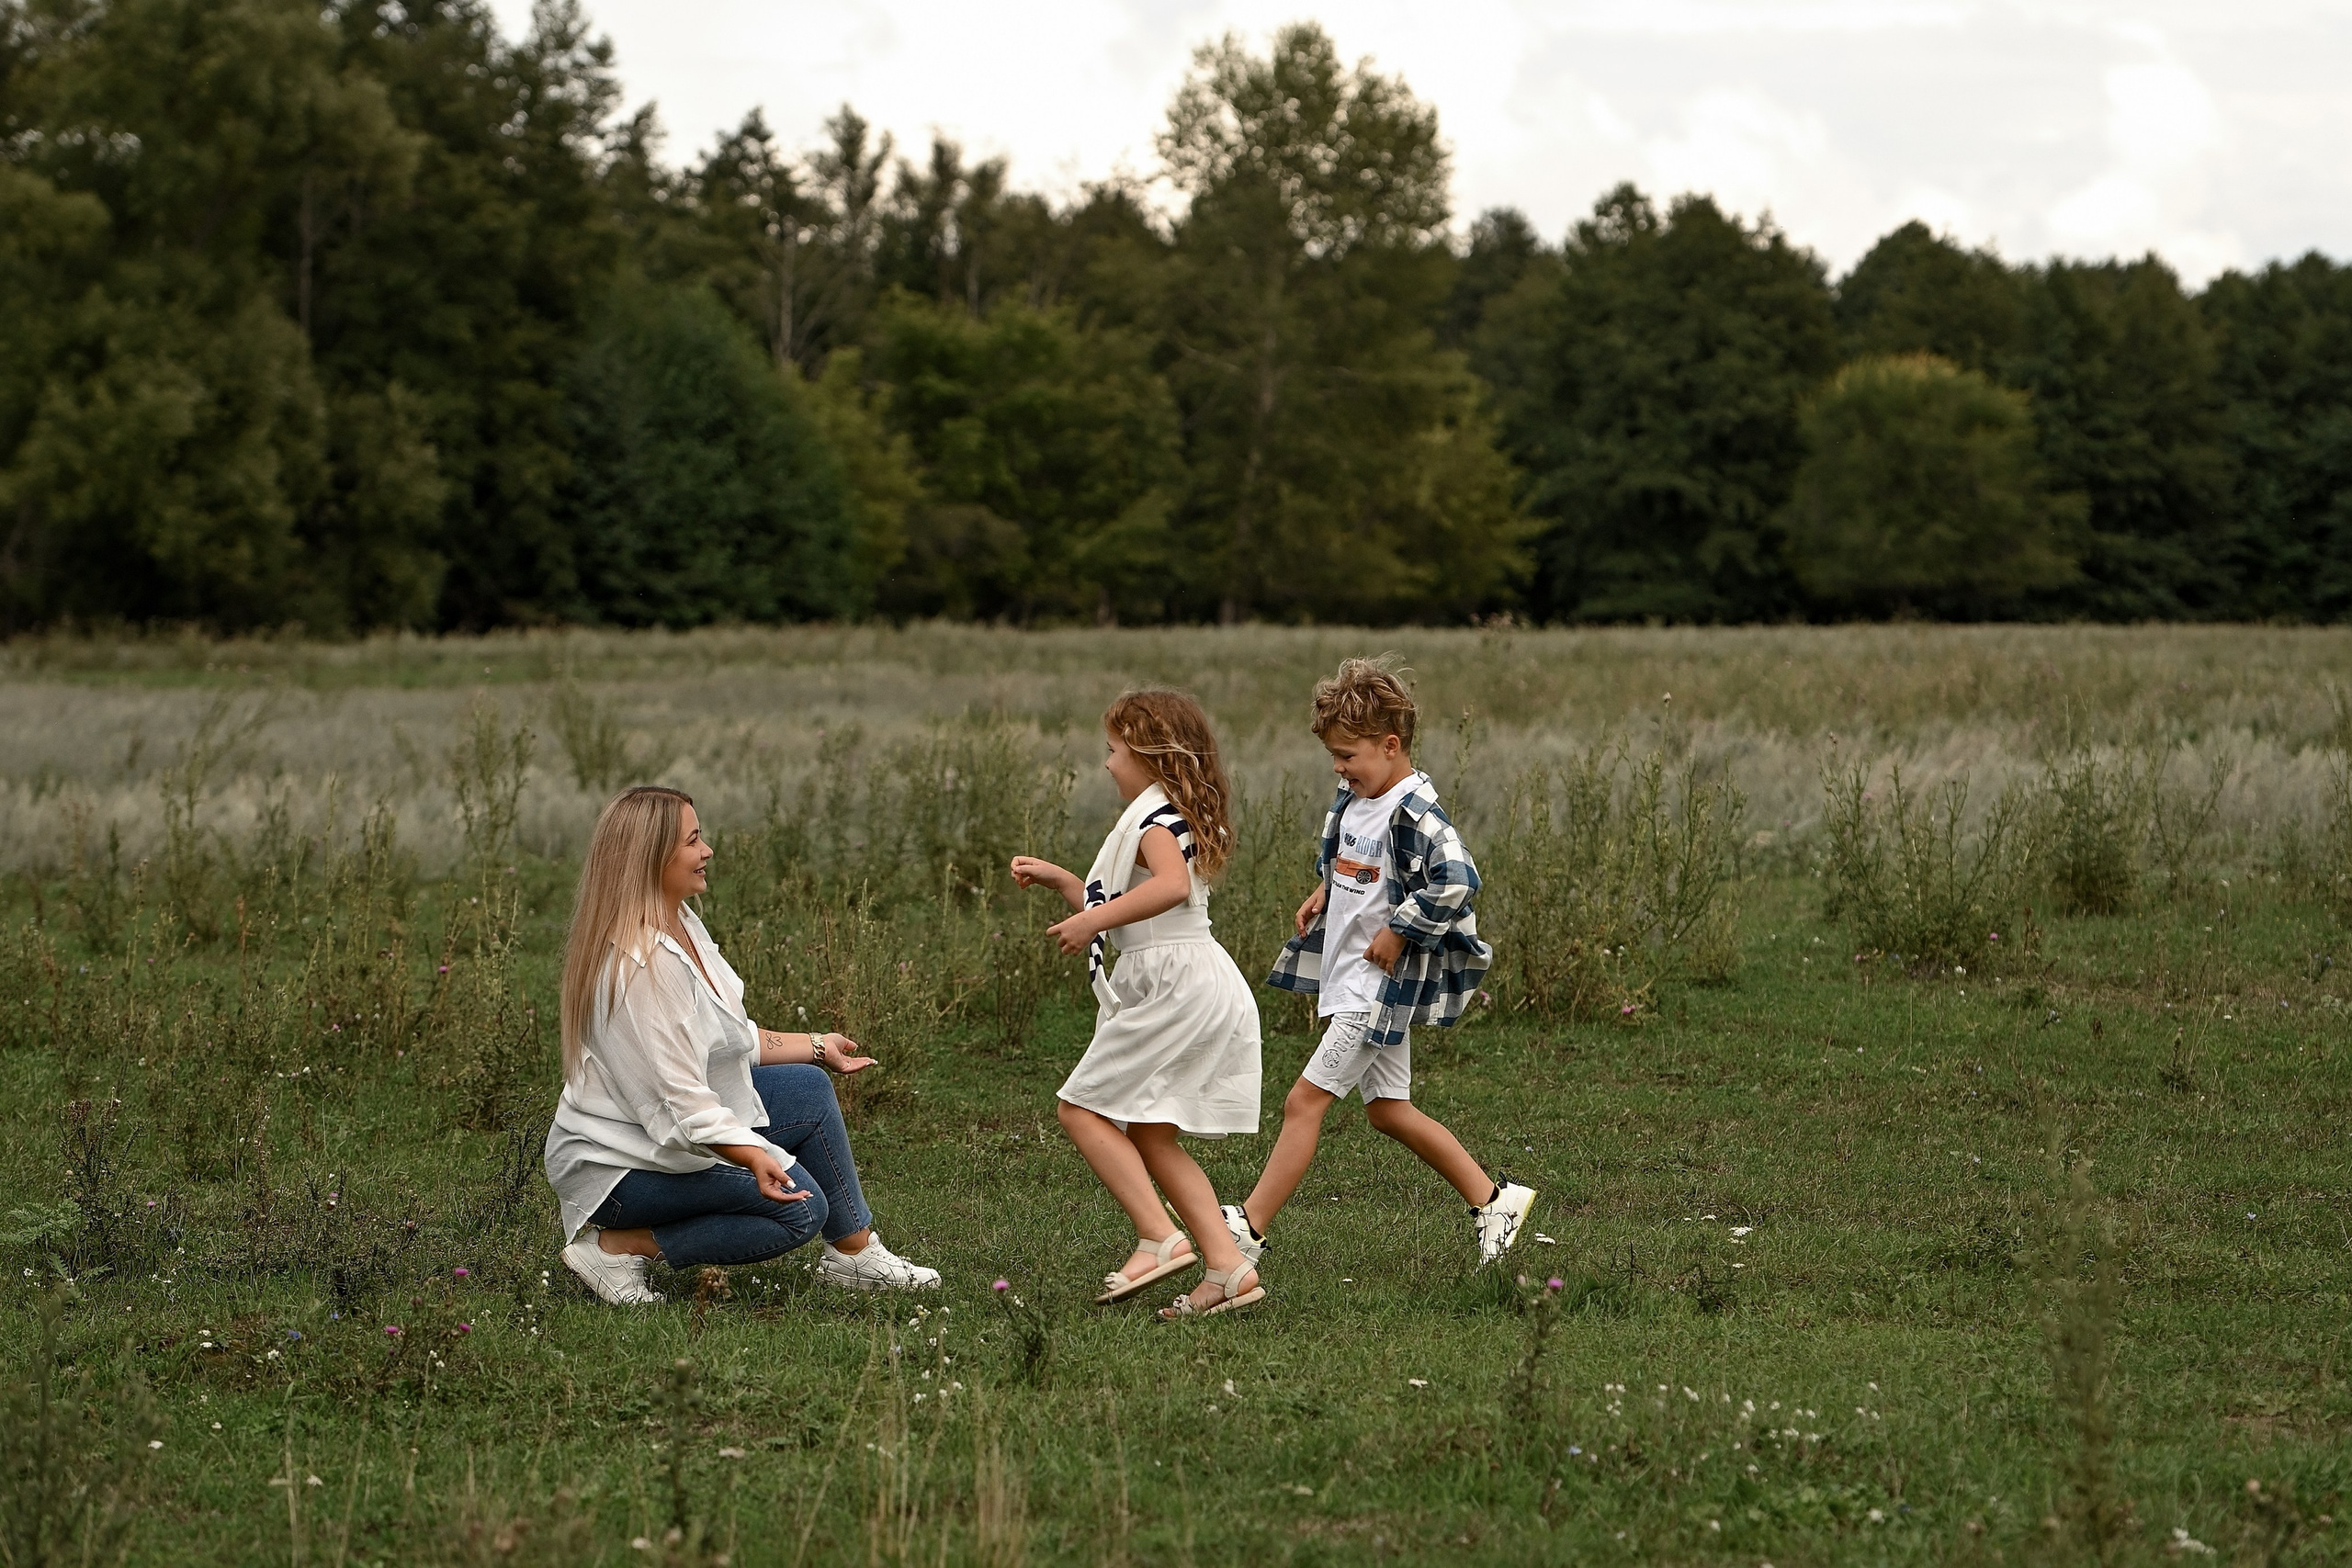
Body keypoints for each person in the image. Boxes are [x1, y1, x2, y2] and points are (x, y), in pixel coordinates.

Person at [543, 785, 940, 1304]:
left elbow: (722, 1037)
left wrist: (817, 1045)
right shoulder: (639, 968)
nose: (706, 851)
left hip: (659, 1135)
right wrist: (754, 1154)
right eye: (693, 840)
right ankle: (619, 1247)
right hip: (619, 1170)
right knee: (798, 1209)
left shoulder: (679, 923)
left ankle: (852, 1255)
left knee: (807, 1088)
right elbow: (680, 1104)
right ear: (651, 857)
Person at [1231, 658, 1534, 1270]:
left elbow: (1459, 879)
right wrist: (1325, 889)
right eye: (1335, 759)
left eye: (1349, 755)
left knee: (1303, 1102)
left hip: (1376, 989)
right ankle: (1494, 1201)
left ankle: (1246, 1230)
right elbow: (1352, 860)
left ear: (1390, 745)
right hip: (1348, 977)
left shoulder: (1417, 814)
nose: (1340, 768)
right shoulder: (1354, 800)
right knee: (1388, 1110)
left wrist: (1400, 930)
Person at [1011, 690, 1265, 1318]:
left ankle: (1161, 1236)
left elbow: (1170, 890)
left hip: (1177, 986)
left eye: (1114, 750)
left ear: (1150, 757)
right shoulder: (1171, 816)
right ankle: (1228, 1268)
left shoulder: (1156, 823)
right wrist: (1070, 886)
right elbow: (1138, 913)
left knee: (1079, 1109)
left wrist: (1089, 919)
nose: (1106, 763)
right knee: (1151, 1132)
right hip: (1191, 978)